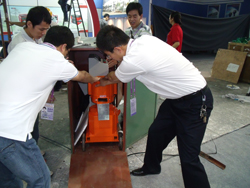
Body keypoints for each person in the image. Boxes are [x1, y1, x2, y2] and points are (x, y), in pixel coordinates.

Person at [96, 25, 213, 188]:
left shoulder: (132, 60)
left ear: (118, 48)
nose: (109, 58)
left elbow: (113, 77)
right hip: (175, 100)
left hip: (196, 102)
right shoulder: (144, 40)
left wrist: (95, 80)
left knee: (189, 158)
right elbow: (125, 63)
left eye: (109, 55)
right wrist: (116, 59)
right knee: (156, 132)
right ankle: (151, 167)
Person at [0, 25, 99, 187]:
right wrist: (98, 79)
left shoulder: (23, 47)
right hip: (10, 133)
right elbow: (83, 76)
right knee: (40, 179)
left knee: (7, 179)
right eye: (67, 51)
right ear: (64, 47)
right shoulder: (57, 60)